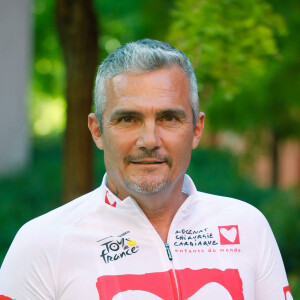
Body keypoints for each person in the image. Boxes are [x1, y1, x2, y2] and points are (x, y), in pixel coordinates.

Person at [0, 39, 293, 300]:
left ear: (196, 129)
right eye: (128, 119)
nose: (149, 141)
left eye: (168, 118)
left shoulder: (248, 226)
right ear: (97, 130)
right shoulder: (42, 243)